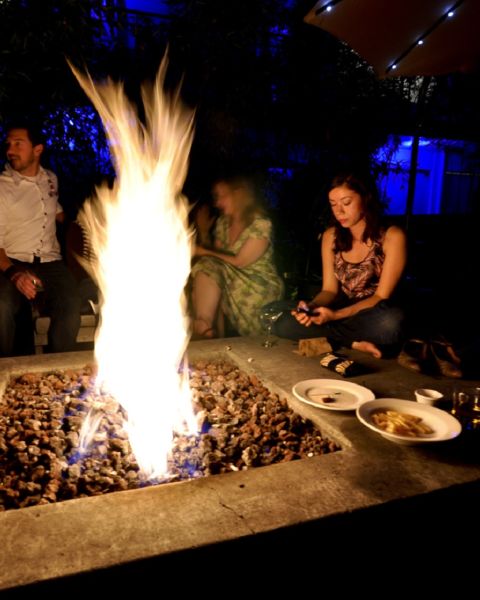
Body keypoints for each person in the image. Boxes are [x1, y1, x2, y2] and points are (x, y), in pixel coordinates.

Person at [272, 170, 407, 358]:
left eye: (346, 203)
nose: (339, 211)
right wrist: (311, 308)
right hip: (338, 311)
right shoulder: (331, 236)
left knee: (391, 323)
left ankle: (336, 337)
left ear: (366, 199)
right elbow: (329, 290)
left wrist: (336, 316)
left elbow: (381, 296)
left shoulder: (392, 237)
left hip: (371, 314)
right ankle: (353, 342)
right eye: (333, 205)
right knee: (282, 321)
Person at [0, 123, 81, 356]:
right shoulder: (3, 188)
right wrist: (15, 274)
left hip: (51, 263)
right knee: (3, 306)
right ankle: (7, 373)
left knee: (70, 304)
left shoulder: (50, 179)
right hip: (12, 261)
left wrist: (85, 224)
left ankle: (57, 368)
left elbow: (55, 210)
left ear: (37, 149)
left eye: (18, 144)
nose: (10, 150)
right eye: (8, 145)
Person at [190, 173, 284, 338]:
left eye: (221, 196)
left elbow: (240, 261)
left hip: (257, 287)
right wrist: (204, 233)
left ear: (239, 194)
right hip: (230, 283)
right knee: (207, 267)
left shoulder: (261, 224)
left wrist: (202, 250)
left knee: (207, 263)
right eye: (216, 197)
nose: (217, 203)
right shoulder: (223, 223)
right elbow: (216, 261)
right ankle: (203, 325)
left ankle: (207, 329)